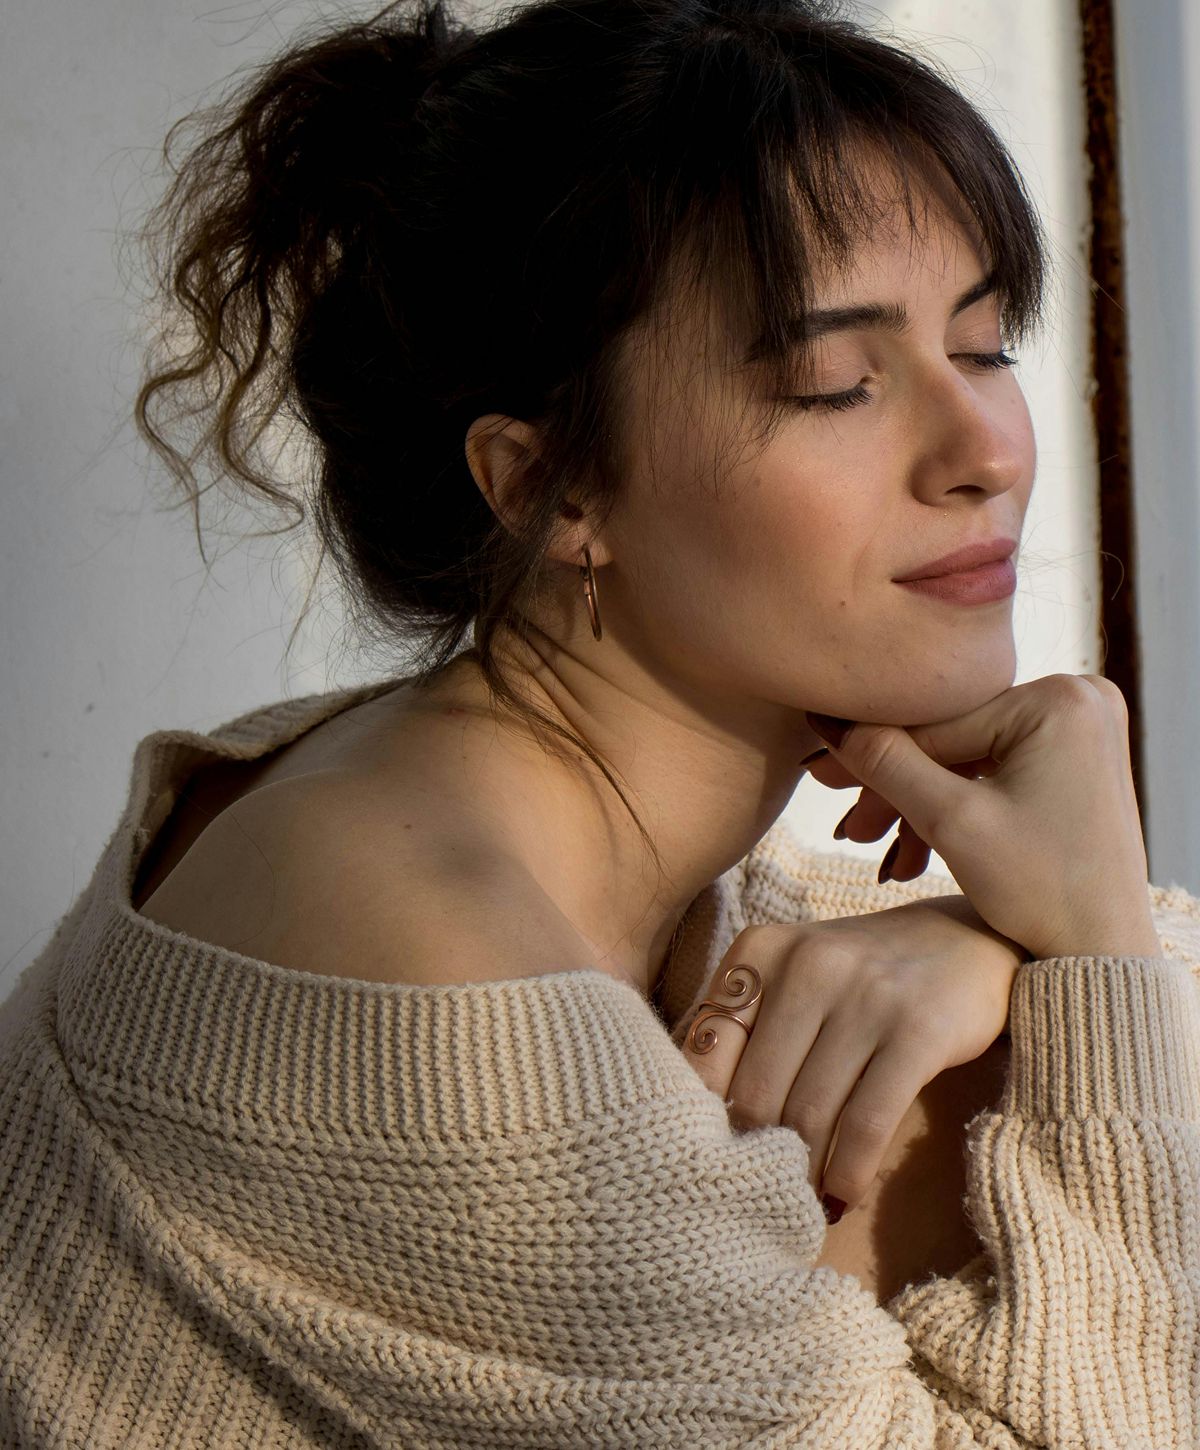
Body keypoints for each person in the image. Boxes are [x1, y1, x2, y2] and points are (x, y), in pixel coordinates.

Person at [3, 0, 1200, 1443]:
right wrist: (1089, 956)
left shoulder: (481, 799)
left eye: (986, 343)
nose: (989, 450)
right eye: (840, 383)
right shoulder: (434, 972)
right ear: (551, 484)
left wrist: (1001, 945)